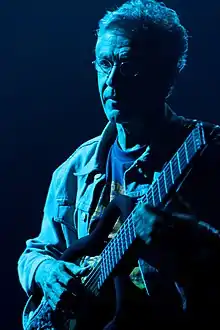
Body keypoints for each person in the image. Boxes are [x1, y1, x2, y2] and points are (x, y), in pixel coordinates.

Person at [18, 0, 220, 329]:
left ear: (167, 76)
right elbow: (38, 250)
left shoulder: (207, 150)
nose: (111, 80)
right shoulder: (75, 168)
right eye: (105, 63)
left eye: (129, 66)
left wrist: (188, 239)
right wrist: (47, 272)